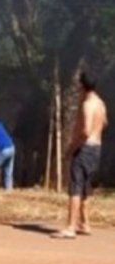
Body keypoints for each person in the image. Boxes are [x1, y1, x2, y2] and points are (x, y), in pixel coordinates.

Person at [52, 72, 108, 239]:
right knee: (85, 186)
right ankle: (85, 223)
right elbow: (104, 123)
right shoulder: (100, 103)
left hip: (85, 148)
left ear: (82, 86)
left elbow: (85, 131)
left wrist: (72, 147)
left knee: (75, 187)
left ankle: (70, 227)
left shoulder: (87, 105)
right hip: (96, 147)